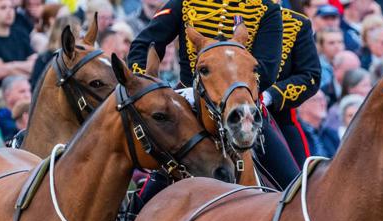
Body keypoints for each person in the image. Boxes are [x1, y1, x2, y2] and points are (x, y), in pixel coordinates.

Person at [128, 0, 301, 190]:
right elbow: (145, 44)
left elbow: (267, 69)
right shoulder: (185, 3)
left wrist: (233, 90)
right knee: (151, 185)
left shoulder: (266, 9)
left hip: (242, 106)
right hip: (189, 103)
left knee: (293, 186)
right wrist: (147, 89)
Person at [265, 6, 321, 168]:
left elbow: (309, 76)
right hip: (219, 116)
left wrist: (270, 96)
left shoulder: (296, 23)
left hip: (277, 120)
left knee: (296, 184)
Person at [297, 89, 339, 157]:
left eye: (324, 99)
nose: (323, 103)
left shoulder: (331, 134)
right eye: (317, 100)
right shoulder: (295, 134)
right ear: (302, 105)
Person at [0, 75, 31, 141]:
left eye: (29, 90)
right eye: (22, 91)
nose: (28, 95)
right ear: (7, 95)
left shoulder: (36, 115)